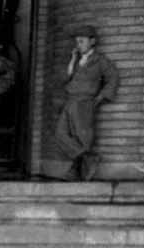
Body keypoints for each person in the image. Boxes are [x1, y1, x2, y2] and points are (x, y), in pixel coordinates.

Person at [54, 24, 118, 181]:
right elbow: (64, 80)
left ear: (93, 41)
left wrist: (100, 98)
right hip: (71, 99)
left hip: (85, 101)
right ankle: (88, 157)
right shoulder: (76, 61)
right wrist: (72, 61)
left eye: (82, 41)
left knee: (82, 136)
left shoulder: (100, 61)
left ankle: (75, 171)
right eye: (77, 41)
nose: (78, 45)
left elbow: (113, 79)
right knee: (60, 134)